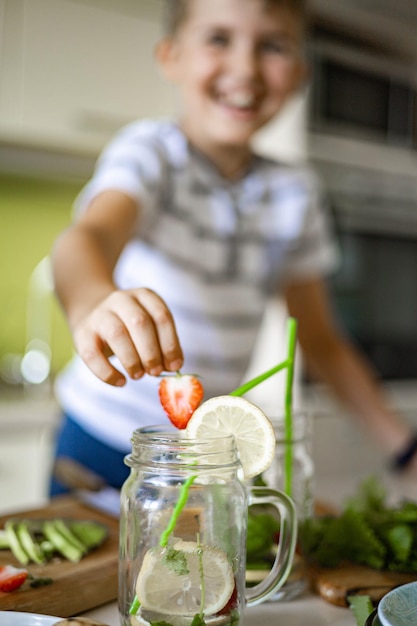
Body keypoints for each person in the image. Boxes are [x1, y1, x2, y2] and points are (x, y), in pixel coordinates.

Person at [50, 0, 417, 495]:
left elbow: (321, 340)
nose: (245, 68)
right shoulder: (150, 154)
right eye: (219, 38)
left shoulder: (295, 193)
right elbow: (85, 240)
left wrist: (404, 447)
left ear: (301, 73)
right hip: (98, 440)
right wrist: (93, 304)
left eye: (272, 46)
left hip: (205, 454)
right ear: (171, 56)